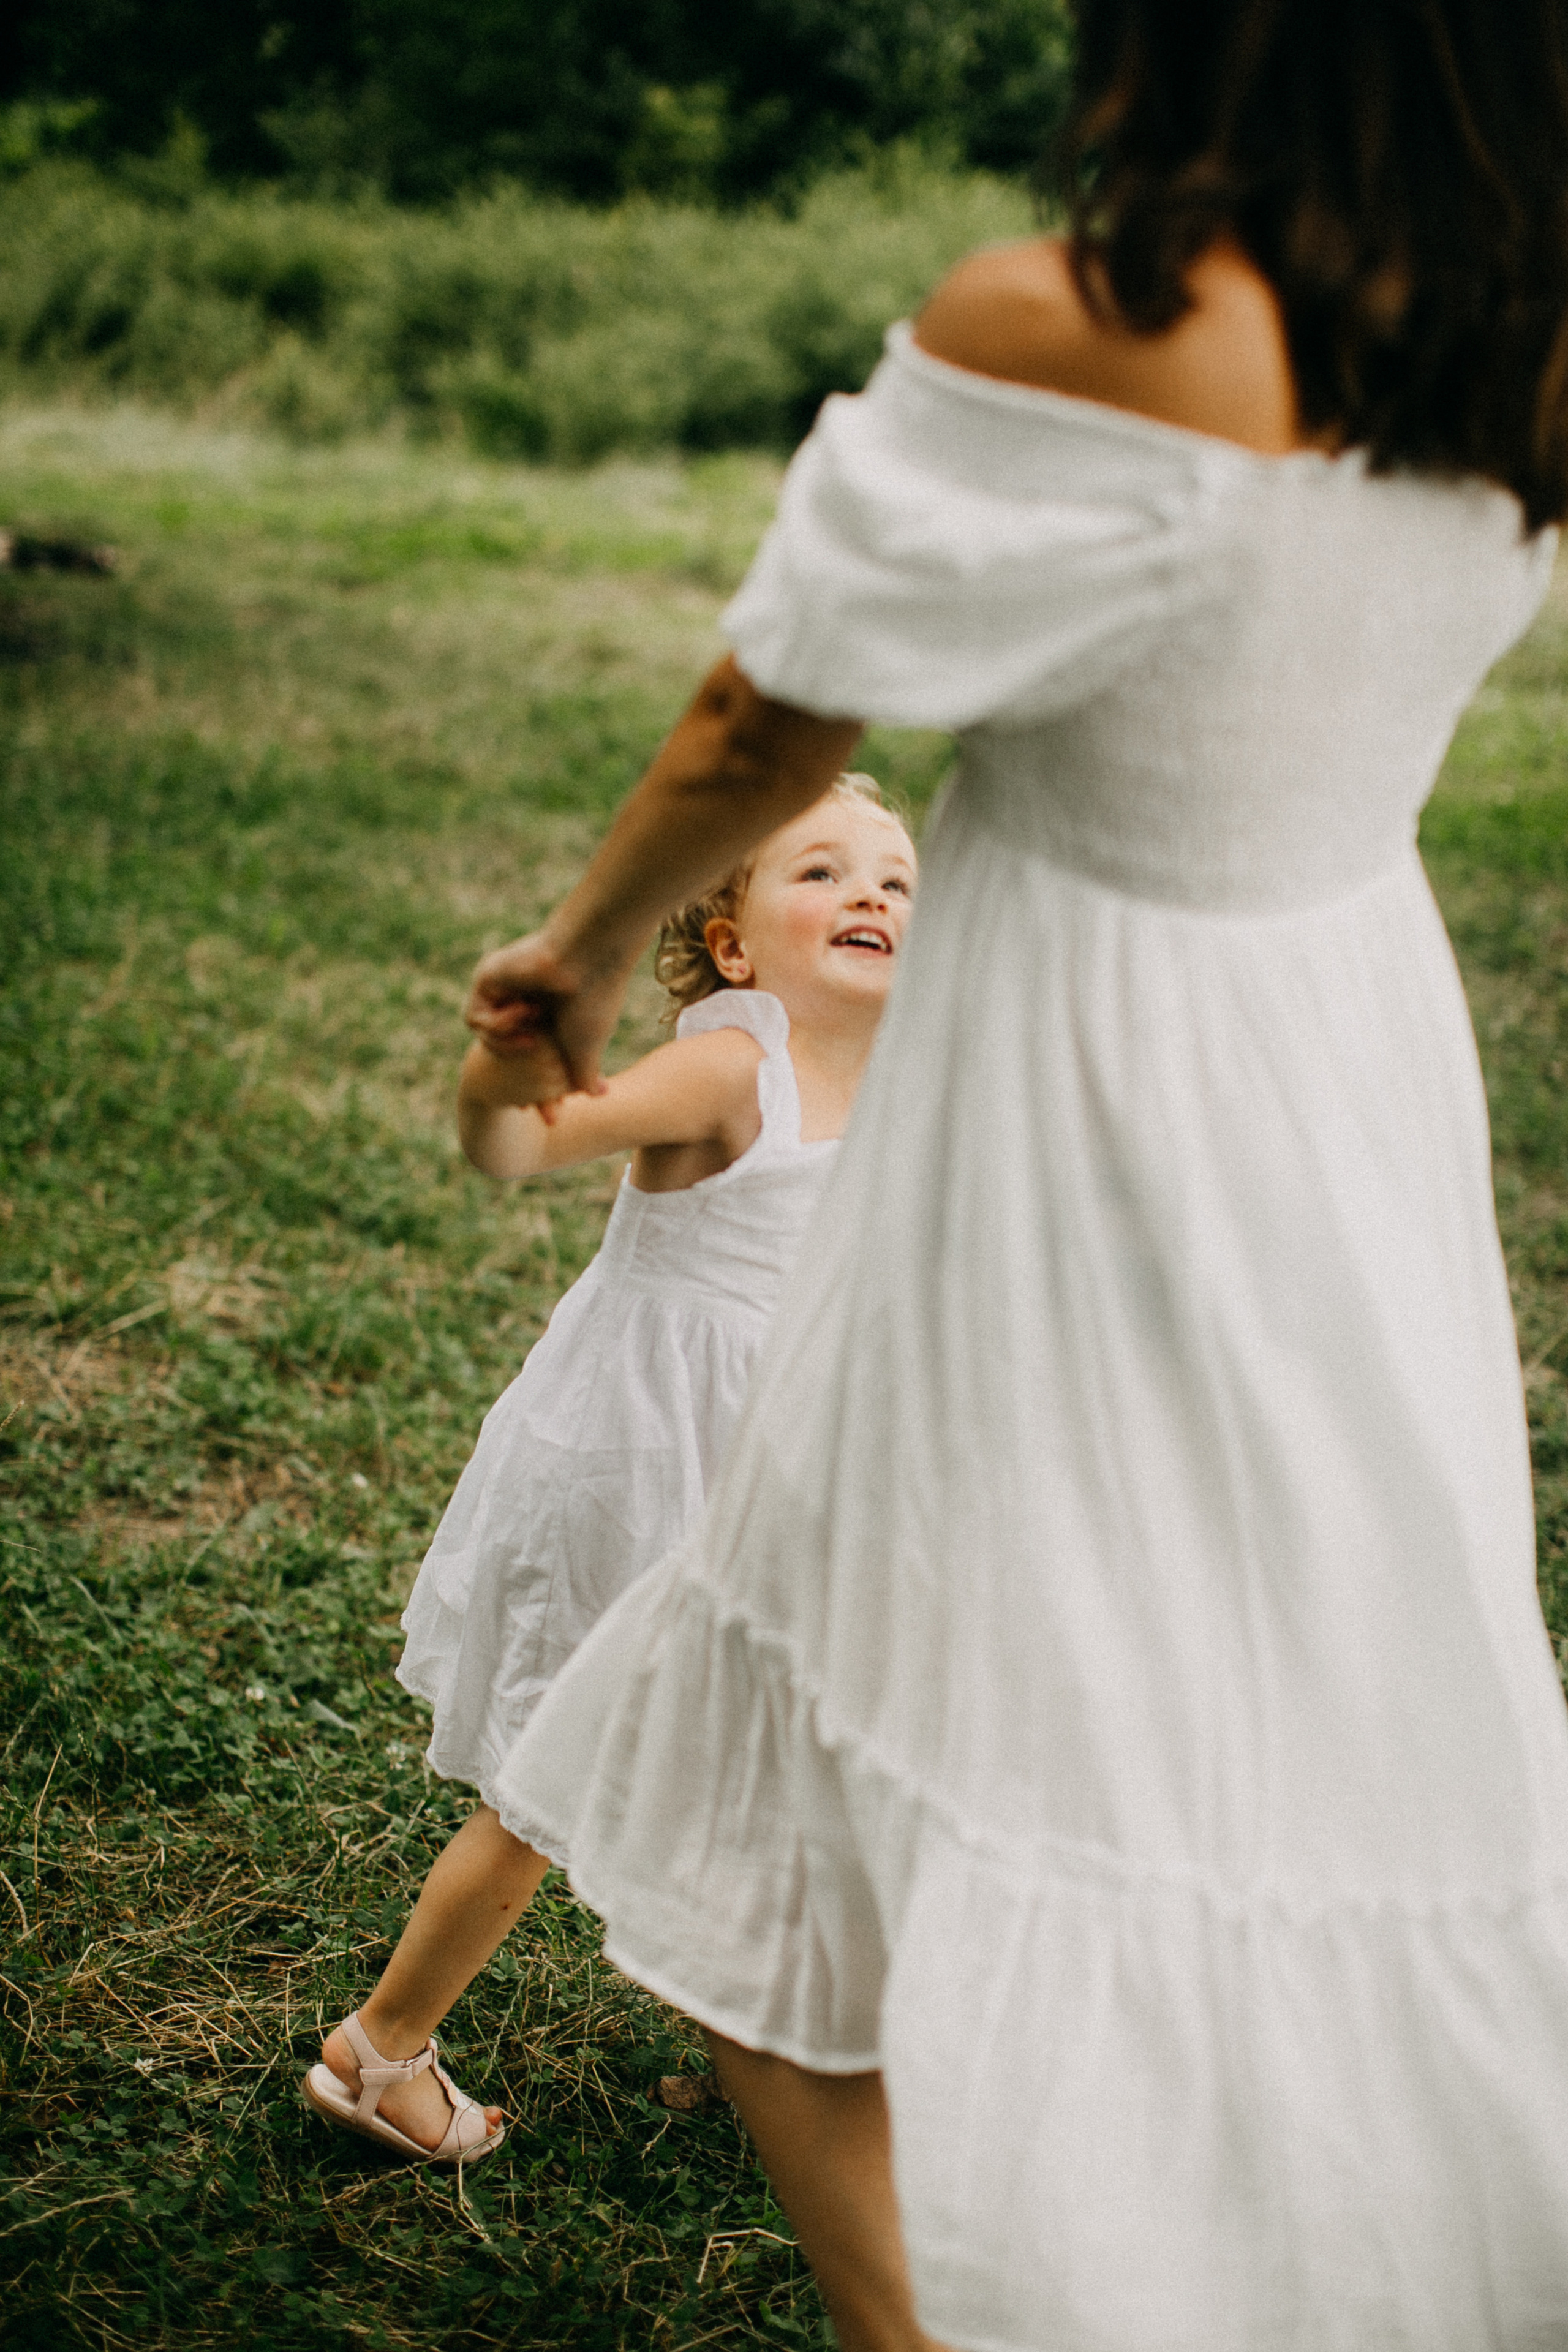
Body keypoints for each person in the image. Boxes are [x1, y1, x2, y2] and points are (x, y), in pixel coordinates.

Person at [468, 6, 1568, 2346]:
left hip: (1085, 1058)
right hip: (1341, 1046)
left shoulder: (1090, 322)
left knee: (833, 1676)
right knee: (1274, 1673)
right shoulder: (1514, 352)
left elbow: (766, 721)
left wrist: (574, 959)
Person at [301, 775, 916, 2164]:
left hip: (762, 1474)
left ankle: (750, 2041)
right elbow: (520, 1141)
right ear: (735, 944)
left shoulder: (905, 1082)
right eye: (819, 872)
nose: (871, 894)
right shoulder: (729, 1070)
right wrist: (506, 1064)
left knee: (756, 1760)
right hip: (637, 1469)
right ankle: (376, 2052)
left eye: (895, 879)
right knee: (547, 1789)